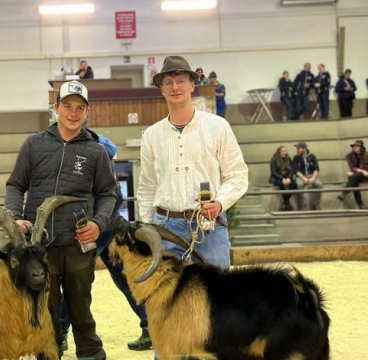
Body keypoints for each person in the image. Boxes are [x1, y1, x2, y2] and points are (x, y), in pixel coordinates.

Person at [5, 80, 117, 360]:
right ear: (56, 108)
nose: (73, 112)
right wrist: (17, 216)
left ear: (87, 112)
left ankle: (91, 355)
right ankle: (48, 355)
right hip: (39, 249)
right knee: (45, 311)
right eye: (67, 105)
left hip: (78, 246)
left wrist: (98, 224)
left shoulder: (96, 151)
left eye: (80, 107)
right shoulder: (33, 144)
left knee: (81, 309)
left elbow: (108, 194)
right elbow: (15, 185)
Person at [137, 55, 249, 270]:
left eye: (180, 81)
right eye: (168, 82)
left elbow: (237, 175)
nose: (175, 87)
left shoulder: (218, 126)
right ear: (161, 89)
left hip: (209, 224)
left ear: (192, 84)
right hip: (165, 226)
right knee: (167, 297)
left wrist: (220, 203)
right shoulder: (151, 135)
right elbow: (147, 186)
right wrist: (149, 226)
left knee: (216, 296)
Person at [60, 134, 151, 352]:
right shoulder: (93, 147)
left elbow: (114, 197)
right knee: (125, 282)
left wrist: (94, 221)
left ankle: (59, 334)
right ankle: (151, 328)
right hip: (102, 229)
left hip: (102, 230)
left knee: (77, 284)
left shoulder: (91, 151)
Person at [337, 139, 368, 209]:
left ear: (361, 147)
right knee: (354, 178)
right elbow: (352, 167)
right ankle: (360, 204)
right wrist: (360, 171)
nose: (354, 147)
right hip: (358, 175)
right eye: (353, 146)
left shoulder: (367, 155)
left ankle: (344, 193)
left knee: (353, 177)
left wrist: (356, 172)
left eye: (357, 146)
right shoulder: (349, 156)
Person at [292, 142, 323, 210]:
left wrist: (313, 178)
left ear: (304, 149)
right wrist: (303, 178)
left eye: (299, 148)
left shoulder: (312, 156)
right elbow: (296, 170)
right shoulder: (296, 157)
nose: (297, 150)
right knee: (299, 185)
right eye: (297, 148)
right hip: (300, 176)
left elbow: (316, 169)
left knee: (319, 184)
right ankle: (303, 205)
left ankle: (316, 204)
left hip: (311, 175)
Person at [269, 146, 297, 211]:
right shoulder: (274, 159)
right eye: (282, 151)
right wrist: (282, 179)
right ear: (279, 152)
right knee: (281, 184)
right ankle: (287, 202)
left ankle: (285, 201)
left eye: (285, 151)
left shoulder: (288, 158)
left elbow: (292, 170)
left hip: (287, 177)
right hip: (277, 177)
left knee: (294, 184)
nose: (284, 153)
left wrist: (289, 178)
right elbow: (273, 172)